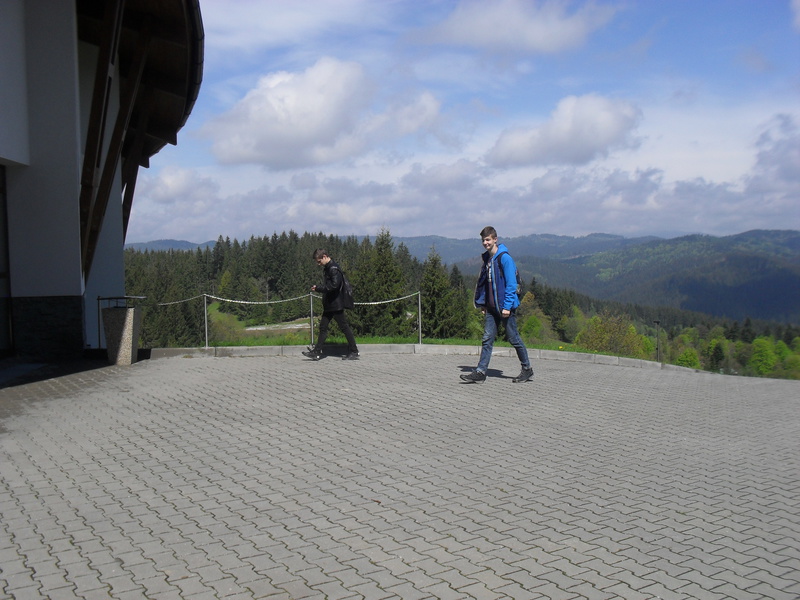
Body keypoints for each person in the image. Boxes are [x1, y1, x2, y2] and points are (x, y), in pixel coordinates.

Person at [461, 226, 533, 383]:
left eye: (488, 240)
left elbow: (511, 284)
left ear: (495, 239)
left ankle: (527, 369)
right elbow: (486, 285)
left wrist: (507, 306)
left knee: (514, 339)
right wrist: (484, 304)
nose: (485, 243)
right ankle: (480, 372)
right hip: (492, 308)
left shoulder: (504, 258)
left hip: (505, 308)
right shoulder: (488, 259)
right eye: (483, 240)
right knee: (487, 339)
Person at [303, 249, 359, 360]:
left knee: (344, 327)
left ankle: (354, 351)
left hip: (336, 304)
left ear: (324, 256)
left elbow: (334, 286)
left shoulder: (333, 269)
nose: (318, 264)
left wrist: (318, 288)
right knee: (323, 327)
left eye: (319, 261)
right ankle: (317, 352)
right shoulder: (329, 268)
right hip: (331, 304)